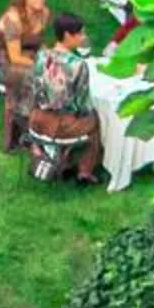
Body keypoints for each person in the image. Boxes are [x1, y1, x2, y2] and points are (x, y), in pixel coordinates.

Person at [25, 13, 104, 183]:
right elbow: (82, 104)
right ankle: (85, 170)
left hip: (36, 120)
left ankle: (63, 161)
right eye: (81, 34)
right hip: (60, 126)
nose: (84, 38)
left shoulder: (41, 55)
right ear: (68, 35)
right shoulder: (78, 64)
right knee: (94, 118)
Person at [0, 0, 52, 149]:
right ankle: (20, 128)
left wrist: (51, 56)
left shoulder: (44, 13)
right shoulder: (13, 18)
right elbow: (15, 57)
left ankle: (44, 123)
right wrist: (41, 67)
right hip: (4, 58)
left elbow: (38, 42)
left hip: (28, 53)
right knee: (30, 76)